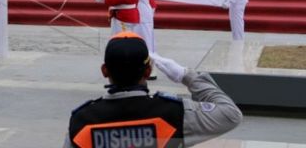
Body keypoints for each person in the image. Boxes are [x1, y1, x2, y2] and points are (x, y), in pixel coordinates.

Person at [63, 32, 243, 148]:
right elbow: (231, 115)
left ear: (104, 71)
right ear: (148, 71)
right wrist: (186, 75)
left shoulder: (82, 120)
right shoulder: (174, 112)